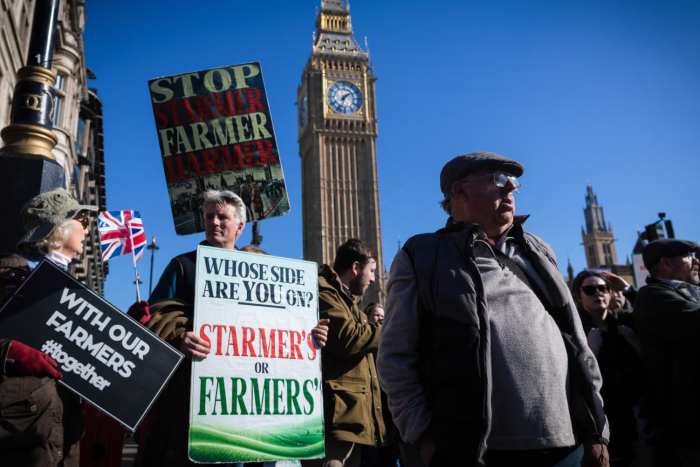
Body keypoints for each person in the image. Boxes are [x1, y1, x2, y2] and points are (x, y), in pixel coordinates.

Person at [378, 152, 609, 467]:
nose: (511, 188)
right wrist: (426, 438)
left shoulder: (538, 250)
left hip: (568, 446)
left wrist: (597, 430)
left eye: (514, 182)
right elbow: (394, 358)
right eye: (499, 180)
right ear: (460, 192)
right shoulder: (422, 255)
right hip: (478, 452)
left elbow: (577, 342)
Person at [133, 189, 328, 467]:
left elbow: (280, 326)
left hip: (258, 411)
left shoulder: (264, 271)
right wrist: (179, 339)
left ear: (239, 227)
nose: (214, 222)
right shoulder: (182, 266)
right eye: (209, 216)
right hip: (193, 406)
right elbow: (152, 319)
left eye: (222, 217)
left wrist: (311, 334)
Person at [0, 188, 96, 466]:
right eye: (82, 219)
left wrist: (129, 328)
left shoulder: (69, 286)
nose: (87, 228)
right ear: (59, 229)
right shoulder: (8, 274)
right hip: (20, 433)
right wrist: (11, 352)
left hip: (63, 429)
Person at [302, 239, 386, 467]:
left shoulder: (351, 305)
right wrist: (390, 328)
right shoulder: (323, 290)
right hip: (332, 419)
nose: (373, 279)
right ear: (356, 268)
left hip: (351, 420)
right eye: (371, 271)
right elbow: (349, 338)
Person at [634, 239, 700, 467]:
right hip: (691, 423)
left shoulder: (691, 291)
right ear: (665, 263)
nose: (696, 262)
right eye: (689, 257)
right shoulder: (652, 295)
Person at [573, 271, 643, 467]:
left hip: (634, 416)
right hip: (600, 419)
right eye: (590, 289)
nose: (598, 293)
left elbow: (657, 313)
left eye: (603, 288)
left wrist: (629, 290)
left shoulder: (625, 321)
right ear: (579, 296)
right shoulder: (575, 330)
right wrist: (590, 352)